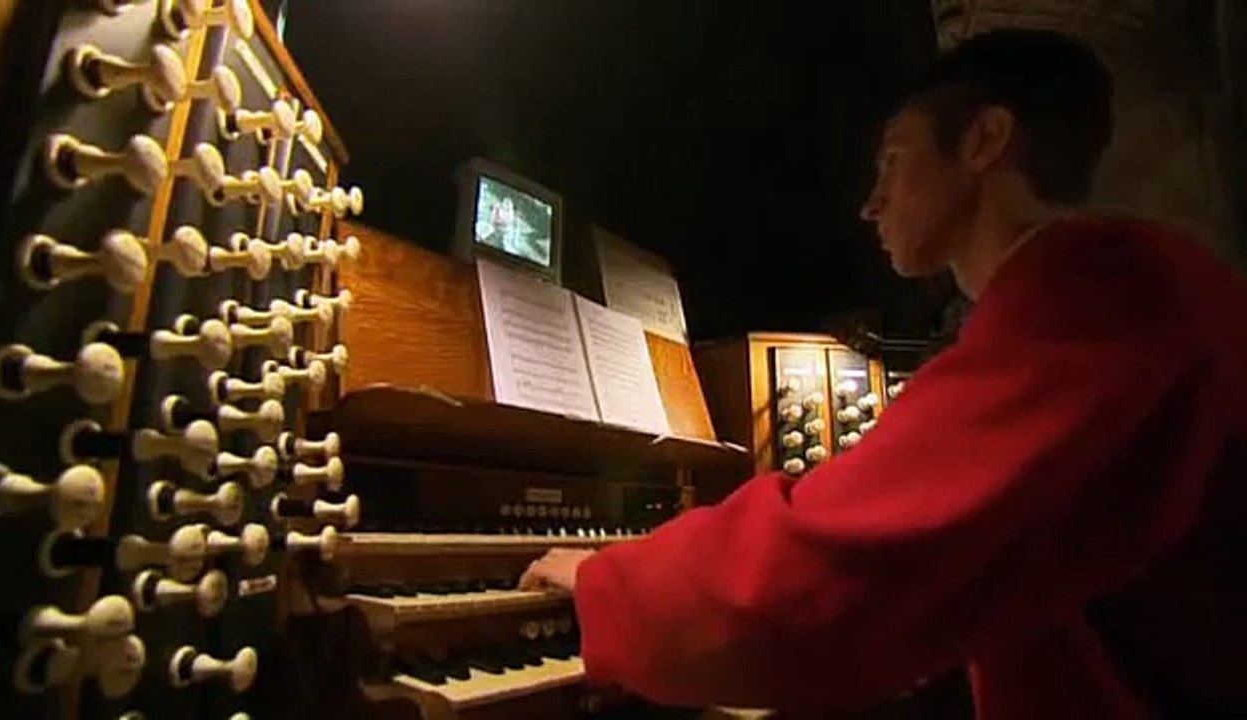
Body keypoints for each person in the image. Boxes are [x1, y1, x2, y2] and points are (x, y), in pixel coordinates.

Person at [518, 27, 1247, 719]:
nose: (871, 203)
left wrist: (608, 586)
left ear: (985, 141)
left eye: (894, 161)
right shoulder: (1149, 274)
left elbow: (822, 580)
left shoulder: (1090, 296)